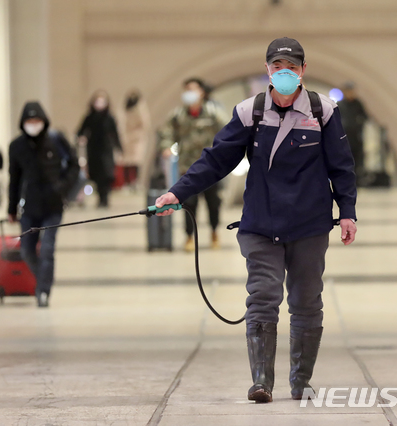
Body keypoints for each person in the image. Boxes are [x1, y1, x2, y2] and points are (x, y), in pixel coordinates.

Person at [155, 37, 357, 403]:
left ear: (303, 71)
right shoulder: (251, 112)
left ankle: (300, 380)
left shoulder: (322, 111)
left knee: (307, 301)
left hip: (309, 225)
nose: (285, 73)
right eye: (278, 67)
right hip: (261, 224)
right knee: (262, 298)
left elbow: (341, 166)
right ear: (268, 69)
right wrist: (178, 192)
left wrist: (347, 212)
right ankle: (261, 381)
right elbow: (217, 159)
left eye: (292, 67)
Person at [8, 101, 79, 307]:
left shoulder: (56, 140)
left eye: (37, 120)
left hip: (53, 206)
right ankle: (43, 279)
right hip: (29, 207)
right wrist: (11, 209)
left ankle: (43, 291)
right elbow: (14, 179)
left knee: (47, 249)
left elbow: (74, 164)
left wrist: (63, 187)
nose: (33, 124)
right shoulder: (17, 147)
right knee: (27, 251)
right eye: (29, 121)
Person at [157, 77, 229, 252]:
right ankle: (189, 236)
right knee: (189, 204)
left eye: (193, 89)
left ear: (202, 92)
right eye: (187, 89)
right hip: (187, 168)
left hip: (211, 169)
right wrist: (166, 147)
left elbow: (228, 131)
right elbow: (166, 132)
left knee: (213, 203)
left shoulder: (213, 112)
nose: (190, 93)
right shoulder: (178, 115)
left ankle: (214, 232)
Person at [77, 90, 123, 208]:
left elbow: (115, 133)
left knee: (107, 175)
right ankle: (100, 198)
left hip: (106, 150)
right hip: (93, 150)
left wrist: (119, 147)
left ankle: (105, 198)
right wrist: (81, 138)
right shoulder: (89, 117)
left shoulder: (109, 118)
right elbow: (81, 131)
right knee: (96, 175)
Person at [119, 89, 151, 190]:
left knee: (136, 162)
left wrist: (136, 135)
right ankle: (127, 183)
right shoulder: (124, 107)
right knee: (126, 162)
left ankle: (135, 182)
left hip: (137, 139)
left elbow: (145, 124)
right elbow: (121, 121)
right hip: (126, 139)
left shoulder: (141, 107)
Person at [337, 81, 368, 183]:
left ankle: (357, 180)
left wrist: (359, 124)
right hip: (345, 137)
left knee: (357, 159)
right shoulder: (340, 105)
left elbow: (364, 117)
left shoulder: (358, 104)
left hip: (356, 137)